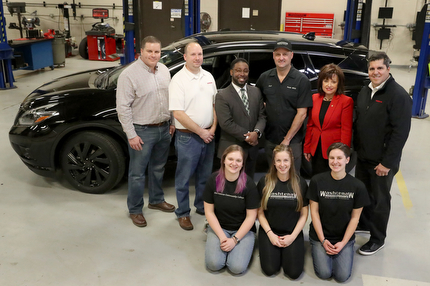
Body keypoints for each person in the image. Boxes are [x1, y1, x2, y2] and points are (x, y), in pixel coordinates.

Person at [354, 52, 412, 255]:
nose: (375, 72)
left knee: (380, 200)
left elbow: (400, 134)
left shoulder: (398, 95)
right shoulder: (365, 91)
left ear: (388, 69)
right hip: (363, 157)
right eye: (372, 68)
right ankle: (365, 224)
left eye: (380, 68)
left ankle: (378, 239)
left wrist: (387, 163)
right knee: (364, 193)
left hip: (382, 161)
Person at [116, 36, 176, 227]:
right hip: (142, 131)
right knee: (137, 173)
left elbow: (171, 99)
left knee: (158, 168)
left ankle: (156, 200)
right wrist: (131, 134)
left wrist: (172, 121)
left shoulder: (165, 70)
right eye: (149, 51)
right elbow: (123, 108)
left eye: (157, 51)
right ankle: (135, 209)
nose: (153, 55)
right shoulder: (128, 75)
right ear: (141, 51)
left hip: (164, 128)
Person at [169, 41, 218, 231]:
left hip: (208, 135)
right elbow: (178, 114)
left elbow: (215, 105)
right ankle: (182, 213)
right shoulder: (178, 80)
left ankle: (200, 206)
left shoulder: (208, 77)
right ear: (185, 57)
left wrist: (213, 128)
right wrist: (202, 132)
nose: (197, 58)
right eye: (193, 55)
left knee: (205, 176)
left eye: (200, 54)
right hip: (188, 137)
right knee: (184, 178)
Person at [307, 143, 369, 282]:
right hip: (320, 236)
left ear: (347, 160)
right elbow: (314, 213)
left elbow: (355, 218)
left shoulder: (357, 186)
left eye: (339, 158)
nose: (335, 162)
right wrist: (322, 240)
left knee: (341, 277)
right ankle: (318, 247)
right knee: (324, 273)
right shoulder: (317, 181)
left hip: (343, 237)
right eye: (332, 158)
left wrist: (343, 242)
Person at [256, 39, 312, 173]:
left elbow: (302, 113)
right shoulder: (265, 78)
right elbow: (258, 103)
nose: (281, 58)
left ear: (291, 55)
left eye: (285, 54)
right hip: (270, 139)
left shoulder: (301, 80)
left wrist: (287, 140)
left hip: (292, 141)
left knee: (292, 176)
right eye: (278, 54)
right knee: (273, 176)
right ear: (273, 56)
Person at [203, 145, 260, 275]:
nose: (234, 163)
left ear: (242, 164)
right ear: (223, 160)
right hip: (220, 227)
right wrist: (222, 237)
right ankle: (210, 233)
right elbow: (209, 212)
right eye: (230, 159)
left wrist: (234, 240)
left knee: (236, 268)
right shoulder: (213, 180)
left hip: (242, 230)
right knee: (214, 264)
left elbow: (251, 217)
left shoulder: (249, 185)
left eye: (238, 161)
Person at [257, 144, 308, 278]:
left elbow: (304, 214)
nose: (282, 164)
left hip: (292, 232)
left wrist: (293, 236)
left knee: (293, 273)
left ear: (291, 161)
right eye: (278, 160)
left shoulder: (300, 183)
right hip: (269, 231)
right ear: (274, 162)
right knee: (269, 269)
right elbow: (260, 213)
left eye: (286, 160)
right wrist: (270, 234)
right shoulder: (264, 182)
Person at [215, 58, 266, 179]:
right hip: (231, 149)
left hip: (252, 149)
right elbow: (226, 123)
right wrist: (249, 136)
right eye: (238, 70)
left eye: (245, 71)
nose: (242, 74)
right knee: (230, 186)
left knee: (248, 185)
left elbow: (262, 116)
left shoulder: (256, 91)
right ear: (231, 72)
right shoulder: (222, 95)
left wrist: (257, 132)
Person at [303, 64, 353, 175]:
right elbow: (310, 125)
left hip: (334, 150)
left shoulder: (346, 101)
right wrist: (307, 147)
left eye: (333, 82)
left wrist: (343, 153)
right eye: (326, 81)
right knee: (317, 178)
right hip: (316, 149)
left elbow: (346, 130)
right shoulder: (315, 98)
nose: (329, 85)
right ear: (321, 82)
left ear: (338, 84)